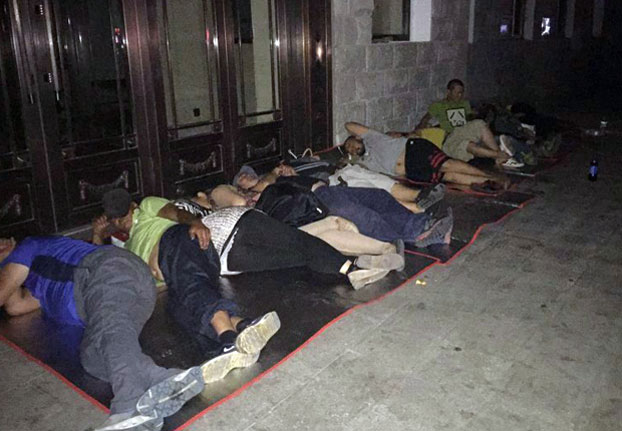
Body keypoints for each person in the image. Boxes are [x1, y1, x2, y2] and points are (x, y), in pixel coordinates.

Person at [0, 236, 207, 431]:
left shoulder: (28, 246)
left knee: (111, 331)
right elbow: (14, 306)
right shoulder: (38, 285)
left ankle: (128, 407)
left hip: (107, 270)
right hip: (121, 295)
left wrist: (5, 264)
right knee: (91, 357)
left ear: (11, 241)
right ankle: (165, 378)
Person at [225, 166, 454, 249]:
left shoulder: (277, 180)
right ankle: (417, 235)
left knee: (380, 198)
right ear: (239, 187)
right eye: (241, 177)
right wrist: (269, 177)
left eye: (248, 173)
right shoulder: (259, 193)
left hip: (325, 190)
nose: (246, 176)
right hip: (316, 203)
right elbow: (263, 184)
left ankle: (423, 224)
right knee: (364, 216)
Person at [343, 121, 510, 188]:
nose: (352, 148)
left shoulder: (372, 137)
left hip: (414, 150)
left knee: (447, 164)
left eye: (352, 144)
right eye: (349, 149)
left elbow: (348, 124)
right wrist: (349, 158)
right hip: (412, 171)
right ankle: (488, 182)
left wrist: (356, 136)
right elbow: (346, 166)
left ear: (359, 138)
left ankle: (493, 176)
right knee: (448, 177)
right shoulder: (365, 162)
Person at [413, 78, 523, 168]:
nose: (460, 96)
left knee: (480, 123)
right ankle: (501, 156)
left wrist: (478, 116)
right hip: (451, 137)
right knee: (467, 144)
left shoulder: (464, 103)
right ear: (448, 92)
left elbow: (470, 118)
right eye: (457, 93)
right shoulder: (438, 105)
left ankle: (499, 156)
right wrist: (420, 130)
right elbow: (425, 119)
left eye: (461, 93)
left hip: (464, 130)